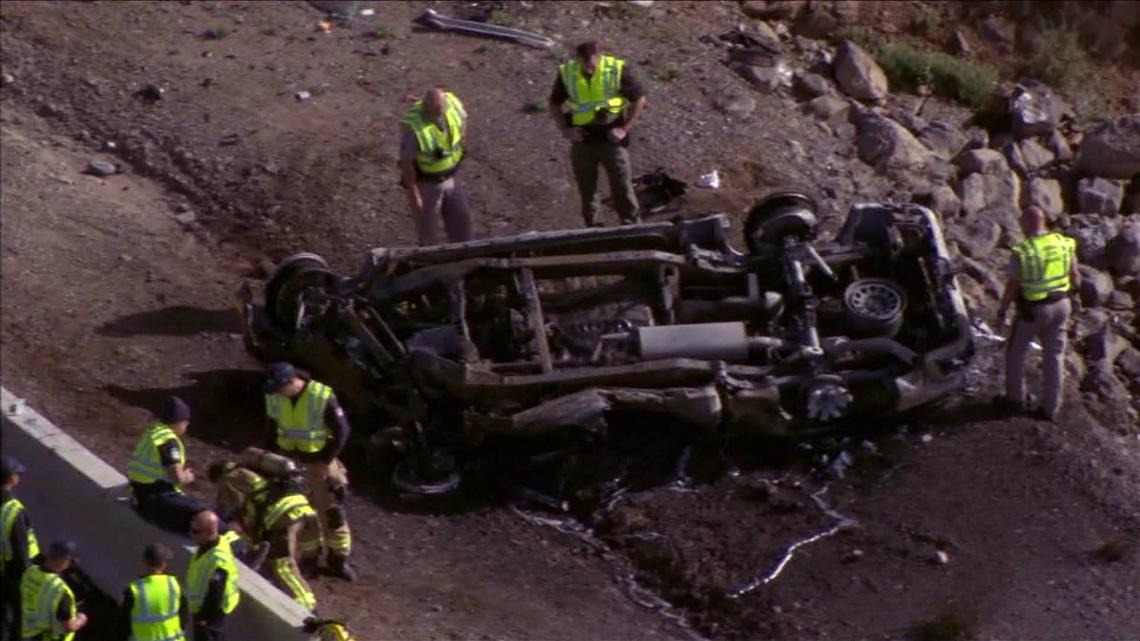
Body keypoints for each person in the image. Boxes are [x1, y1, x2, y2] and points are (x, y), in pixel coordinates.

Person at [262, 363, 355, 582]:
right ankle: (310, 558)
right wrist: (269, 458)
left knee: (332, 512)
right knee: (301, 512)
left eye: (279, 388)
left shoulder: (320, 396)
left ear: (293, 381)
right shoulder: (275, 397)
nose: (276, 393)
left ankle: (338, 559)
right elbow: (271, 429)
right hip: (291, 462)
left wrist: (326, 460)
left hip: (319, 462)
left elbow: (343, 430)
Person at [548, 40, 647, 228]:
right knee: (587, 190)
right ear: (578, 59)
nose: (589, 68)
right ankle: (594, 228)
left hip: (611, 139)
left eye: (592, 64)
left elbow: (638, 98)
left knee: (622, 187)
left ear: (600, 56)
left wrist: (625, 128)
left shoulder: (616, 70)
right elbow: (554, 104)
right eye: (584, 64)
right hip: (583, 140)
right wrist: (565, 130)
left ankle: (631, 225)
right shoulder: (568, 73)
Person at [997, 206, 1081, 422]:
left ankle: (1015, 399)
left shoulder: (1023, 251)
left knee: (1016, 352)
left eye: (1021, 221)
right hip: (1062, 305)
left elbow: (1012, 286)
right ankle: (1050, 409)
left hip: (1033, 310)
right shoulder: (1063, 243)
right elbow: (1076, 277)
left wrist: (1002, 310)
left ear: (1027, 222)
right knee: (1054, 356)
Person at [209, 454, 320, 610]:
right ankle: (308, 569)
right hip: (302, 508)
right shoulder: (251, 469)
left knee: (283, 565)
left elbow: (224, 511)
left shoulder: (228, 478)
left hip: (282, 516)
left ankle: (307, 608)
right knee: (281, 560)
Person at [399, 87, 473, 246]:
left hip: (450, 178)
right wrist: (414, 194)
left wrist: (461, 138)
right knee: (429, 233)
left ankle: (464, 260)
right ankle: (431, 266)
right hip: (428, 184)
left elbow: (463, 116)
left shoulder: (451, 104)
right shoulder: (415, 128)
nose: (437, 117)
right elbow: (406, 162)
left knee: (462, 222)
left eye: (440, 112)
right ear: (425, 109)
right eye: (433, 113)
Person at [127, 396, 209, 535]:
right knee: (205, 516)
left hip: (138, 492)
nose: (186, 426)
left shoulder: (153, 431)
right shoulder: (168, 441)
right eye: (185, 422)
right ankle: (238, 547)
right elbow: (177, 478)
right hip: (155, 498)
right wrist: (187, 477)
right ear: (178, 422)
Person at [2, 456, 40, 641]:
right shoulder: (13, 510)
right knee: (19, 620)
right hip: (13, 573)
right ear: (10, 478)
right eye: (17, 473)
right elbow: (21, 550)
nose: (19, 477)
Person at [119, 542, 189, 641]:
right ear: (163, 564)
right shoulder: (174, 585)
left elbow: (123, 625)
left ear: (144, 562)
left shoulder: (133, 590)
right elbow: (184, 616)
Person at [19, 540, 87, 641]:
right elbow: (69, 626)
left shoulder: (30, 572)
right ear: (64, 560)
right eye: (71, 562)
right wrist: (81, 619)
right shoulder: (61, 591)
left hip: (26, 631)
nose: (70, 565)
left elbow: (38, 596)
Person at [186, 511, 239, 641]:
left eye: (196, 531)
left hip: (211, 616)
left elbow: (215, 595)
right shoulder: (207, 546)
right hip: (201, 610)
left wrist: (203, 620)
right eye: (191, 529)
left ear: (210, 532)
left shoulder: (218, 559)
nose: (192, 534)